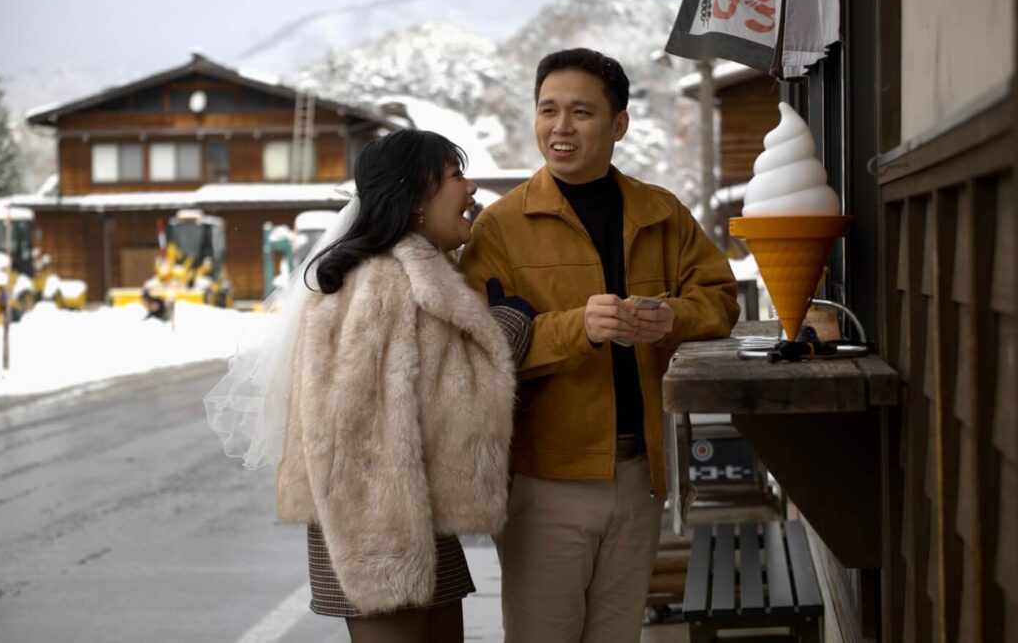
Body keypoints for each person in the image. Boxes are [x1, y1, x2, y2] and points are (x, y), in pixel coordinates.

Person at [206, 129, 535, 643]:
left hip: (416, 522)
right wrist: (509, 325)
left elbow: (432, 393)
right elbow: (357, 439)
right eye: (456, 175)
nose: (471, 189)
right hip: (377, 534)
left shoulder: (411, 271)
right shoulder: (377, 283)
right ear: (417, 196)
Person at [459, 48, 740, 643]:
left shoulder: (662, 213)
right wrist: (576, 328)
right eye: (548, 110)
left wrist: (673, 318)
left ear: (619, 124)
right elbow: (473, 352)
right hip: (544, 480)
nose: (560, 127)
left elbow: (720, 298)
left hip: (642, 476)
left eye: (581, 112)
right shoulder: (501, 227)